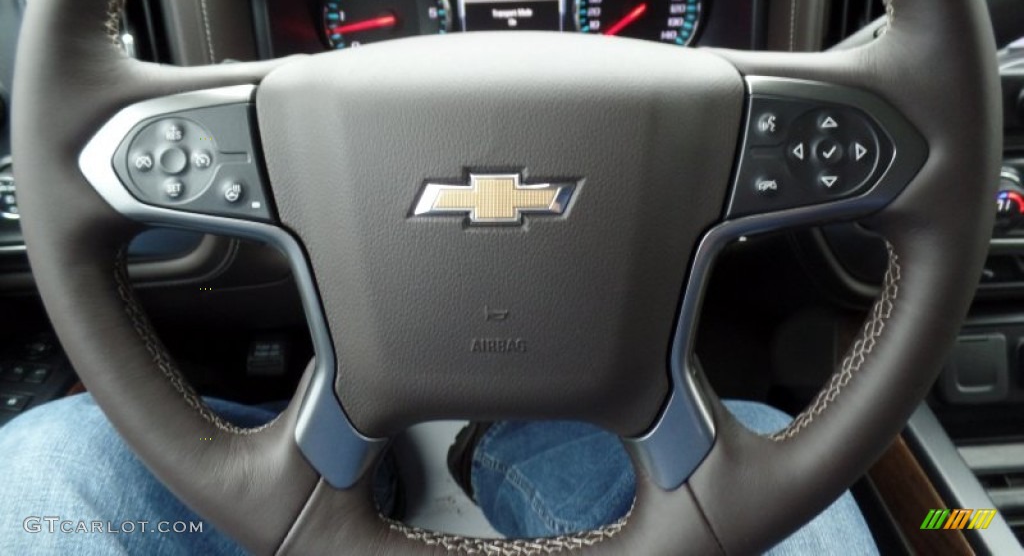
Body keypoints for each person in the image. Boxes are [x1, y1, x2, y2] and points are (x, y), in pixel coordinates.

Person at [0, 395, 878, 554]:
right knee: (760, 440)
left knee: (47, 453)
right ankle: (507, 438)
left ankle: (345, 473)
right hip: (584, 438)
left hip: (284, 480)